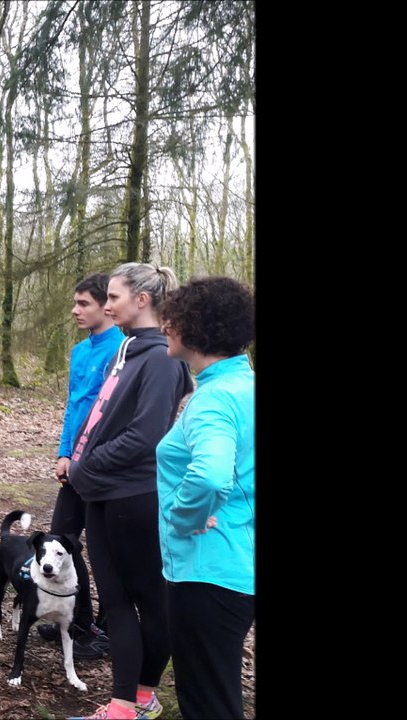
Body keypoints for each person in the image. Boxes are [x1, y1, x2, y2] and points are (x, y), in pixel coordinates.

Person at [67, 263, 192, 720]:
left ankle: (136, 698)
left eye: (115, 296)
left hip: (131, 496)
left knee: (146, 601)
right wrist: (81, 463)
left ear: (142, 300)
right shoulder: (129, 350)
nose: (107, 303)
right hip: (101, 493)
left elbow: (146, 435)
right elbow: (103, 417)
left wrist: (87, 464)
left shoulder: (160, 358)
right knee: (117, 602)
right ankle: (131, 700)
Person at [156, 276, 255, 720]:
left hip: (207, 570)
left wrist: (182, 517)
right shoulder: (246, 386)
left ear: (195, 326)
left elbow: (212, 475)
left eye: (171, 318)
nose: (163, 326)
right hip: (238, 563)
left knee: (208, 704)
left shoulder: (214, 399)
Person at [38, 274, 124, 657]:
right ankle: (75, 620)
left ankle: (105, 631)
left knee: (107, 551)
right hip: (74, 465)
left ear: (106, 305)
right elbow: (74, 407)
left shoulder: (122, 349)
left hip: (104, 468)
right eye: (75, 302)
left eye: (84, 303)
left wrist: (86, 459)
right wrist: (64, 453)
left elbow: (113, 415)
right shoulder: (79, 351)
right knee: (62, 542)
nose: (76, 310)